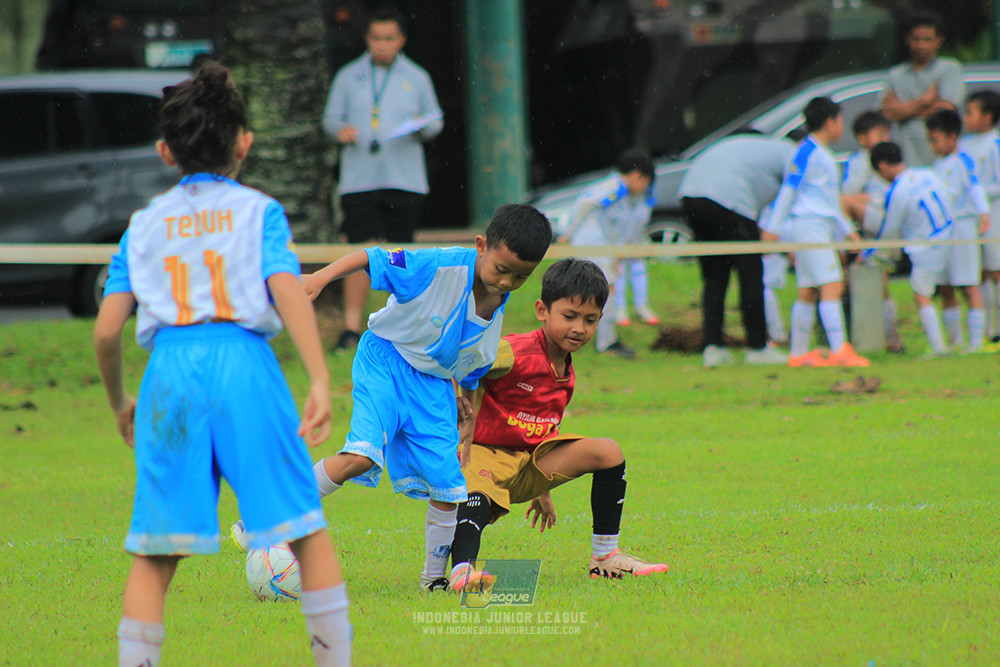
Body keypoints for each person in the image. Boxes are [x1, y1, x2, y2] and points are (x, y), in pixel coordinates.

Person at [93, 63, 350, 667]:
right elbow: (287, 290)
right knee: (305, 533)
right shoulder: (259, 211)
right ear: (244, 144)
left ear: (164, 152)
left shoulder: (143, 224)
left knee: (155, 555)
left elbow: (107, 330)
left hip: (169, 374)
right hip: (244, 366)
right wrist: (317, 376)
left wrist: (119, 402)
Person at [302, 204, 552, 591]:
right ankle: (274, 514)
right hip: (385, 358)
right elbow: (371, 257)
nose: (506, 282)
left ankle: (435, 579)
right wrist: (319, 278)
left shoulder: (496, 306)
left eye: (520, 277)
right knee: (362, 455)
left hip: (434, 386)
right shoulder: (438, 266)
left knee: (449, 485)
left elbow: (472, 362)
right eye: (501, 269)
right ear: (481, 245)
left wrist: (465, 405)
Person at [448, 258, 668, 590]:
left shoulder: (564, 366)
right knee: (475, 490)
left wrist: (542, 490)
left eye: (590, 320)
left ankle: (605, 558)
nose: (579, 328)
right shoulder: (515, 351)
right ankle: (462, 572)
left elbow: (543, 429)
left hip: (527, 463)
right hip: (482, 454)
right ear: (542, 311)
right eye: (569, 316)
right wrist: (462, 409)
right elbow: (465, 361)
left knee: (608, 452)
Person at [321, 6, 444, 352]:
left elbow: (436, 121)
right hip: (360, 179)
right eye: (376, 38)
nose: (383, 45)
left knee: (401, 253)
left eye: (389, 38)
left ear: (401, 40)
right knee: (359, 250)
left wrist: (422, 127)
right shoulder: (348, 75)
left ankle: (401, 325)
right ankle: (350, 328)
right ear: (367, 39)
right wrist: (340, 129)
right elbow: (330, 118)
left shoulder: (417, 77)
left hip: (404, 178)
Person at [763, 97, 869, 368]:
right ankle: (839, 350)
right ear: (831, 121)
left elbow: (831, 201)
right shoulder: (807, 152)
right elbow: (789, 189)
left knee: (808, 290)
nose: (841, 127)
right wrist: (772, 229)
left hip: (818, 226)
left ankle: (799, 353)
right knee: (831, 286)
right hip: (810, 227)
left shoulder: (821, 154)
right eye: (841, 121)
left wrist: (847, 231)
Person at [678, 131, 795, 367]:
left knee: (715, 276)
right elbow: (795, 190)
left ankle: (713, 348)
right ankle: (757, 347)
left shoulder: (751, 151)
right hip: (727, 199)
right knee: (751, 274)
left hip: (690, 197)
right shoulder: (790, 150)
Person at [559, 149, 659, 358]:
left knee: (588, 292)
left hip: (602, 246)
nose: (646, 187)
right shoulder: (615, 188)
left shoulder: (629, 196)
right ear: (636, 176)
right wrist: (567, 234)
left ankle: (589, 339)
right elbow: (585, 205)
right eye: (646, 181)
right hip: (591, 243)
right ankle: (606, 343)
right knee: (606, 289)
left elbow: (620, 229)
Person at [867, 141, 954, 355]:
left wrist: (869, 253)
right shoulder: (928, 174)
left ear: (882, 166)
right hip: (950, 234)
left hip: (925, 245)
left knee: (921, 294)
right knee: (950, 290)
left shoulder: (898, 191)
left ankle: (938, 347)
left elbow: (889, 232)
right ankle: (958, 342)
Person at [925, 109, 991, 351]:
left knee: (968, 283)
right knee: (945, 286)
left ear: (952, 137)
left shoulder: (963, 160)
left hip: (963, 227)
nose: (932, 146)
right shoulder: (936, 166)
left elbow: (974, 187)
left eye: (935, 139)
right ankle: (955, 342)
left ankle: (975, 343)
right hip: (943, 230)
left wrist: (983, 213)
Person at [841, 110, 904, 353]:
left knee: (882, 281)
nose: (884, 137)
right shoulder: (859, 163)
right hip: (871, 225)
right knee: (874, 280)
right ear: (862, 138)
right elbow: (848, 194)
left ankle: (892, 338)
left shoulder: (889, 159)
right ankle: (877, 337)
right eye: (879, 133)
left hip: (886, 223)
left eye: (886, 133)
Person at [879, 11, 965, 167]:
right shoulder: (895, 74)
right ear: (907, 39)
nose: (921, 45)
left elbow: (946, 111)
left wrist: (901, 110)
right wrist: (924, 101)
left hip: (938, 161)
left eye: (927, 39)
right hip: (904, 160)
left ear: (939, 41)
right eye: (916, 39)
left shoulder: (949, 69)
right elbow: (885, 113)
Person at [958, 90, 1000, 342]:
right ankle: (987, 327)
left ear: (988, 117)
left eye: (970, 112)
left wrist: (977, 192)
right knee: (980, 272)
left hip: (994, 216)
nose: (966, 117)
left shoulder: (995, 145)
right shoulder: (963, 145)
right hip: (971, 219)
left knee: (996, 271)